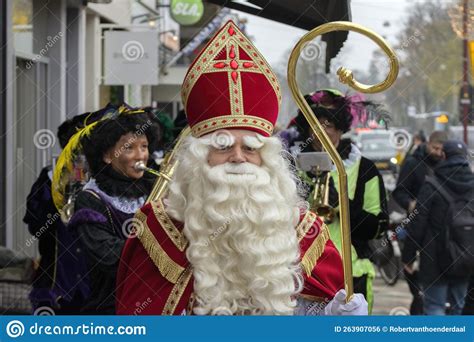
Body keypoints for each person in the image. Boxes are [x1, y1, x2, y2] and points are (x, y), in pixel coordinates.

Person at [115, 21, 367, 316]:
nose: (238, 157)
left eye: (250, 148)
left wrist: (339, 320)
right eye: (223, 147)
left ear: (268, 159)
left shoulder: (304, 230)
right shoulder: (159, 228)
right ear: (199, 159)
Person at [288, 89, 388, 313]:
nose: (321, 133)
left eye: (329, 126)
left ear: (341, 130)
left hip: (351, 275)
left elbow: (378, 227)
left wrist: (344, 204)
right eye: (316, 125)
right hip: (301, 275)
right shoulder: (290, 166)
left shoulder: (365, 169)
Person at [61, 105, 158, 314]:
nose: (141, 155)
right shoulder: (91, 198)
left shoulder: (155, 188)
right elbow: (108, 257)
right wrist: (160, 252)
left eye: (144, 146)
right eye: (130, 148)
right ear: (107, 155)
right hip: (111, 308)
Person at [23, 107, 109, 314]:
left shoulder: (110, 181)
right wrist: (62, 191)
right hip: (58, 286)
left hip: (101, 290)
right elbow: (36, 225)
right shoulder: (51, 179)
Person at [402, 140, 474, 315]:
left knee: (434, 306)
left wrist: (408, 256)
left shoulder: (431, 184)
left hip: (433, 259)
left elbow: (418, 222)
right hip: (465, 256)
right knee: (459, 305)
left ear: (444, 156)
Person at [392, 130, 447, 315]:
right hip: (416, 222)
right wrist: (410, 203)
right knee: (419, 290)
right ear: (428, 144)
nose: (438, 152)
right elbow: (399, 191)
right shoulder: (413, 164)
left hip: (440, 231)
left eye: (441, 149)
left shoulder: (446, 164)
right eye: (435, 148)